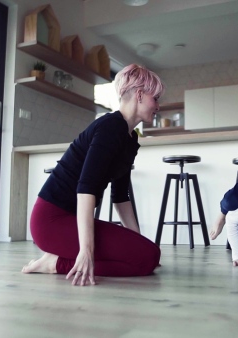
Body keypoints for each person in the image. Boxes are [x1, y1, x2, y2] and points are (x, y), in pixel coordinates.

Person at [22, 64, 164, 286]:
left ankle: (59, 260)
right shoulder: (110, 127)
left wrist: (138, 241)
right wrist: (86, 250)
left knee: (149, 255)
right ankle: (55, 264)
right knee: (146, 258)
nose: (158, 105)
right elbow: (85, 188)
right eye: (155, 98)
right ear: (139, 94)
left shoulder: (129, 138)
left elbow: (120, 196)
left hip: (72, 219)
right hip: (51, 221)